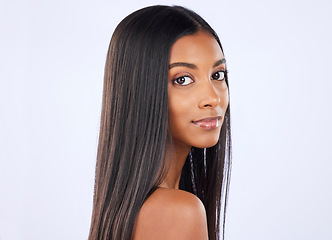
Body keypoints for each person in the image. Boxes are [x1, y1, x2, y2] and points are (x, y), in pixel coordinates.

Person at [88, 5, 232, 240]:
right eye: (183, 79)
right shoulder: (179, 211)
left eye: (217, 75)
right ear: (140, 91)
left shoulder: (126, 211)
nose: (213, 98)